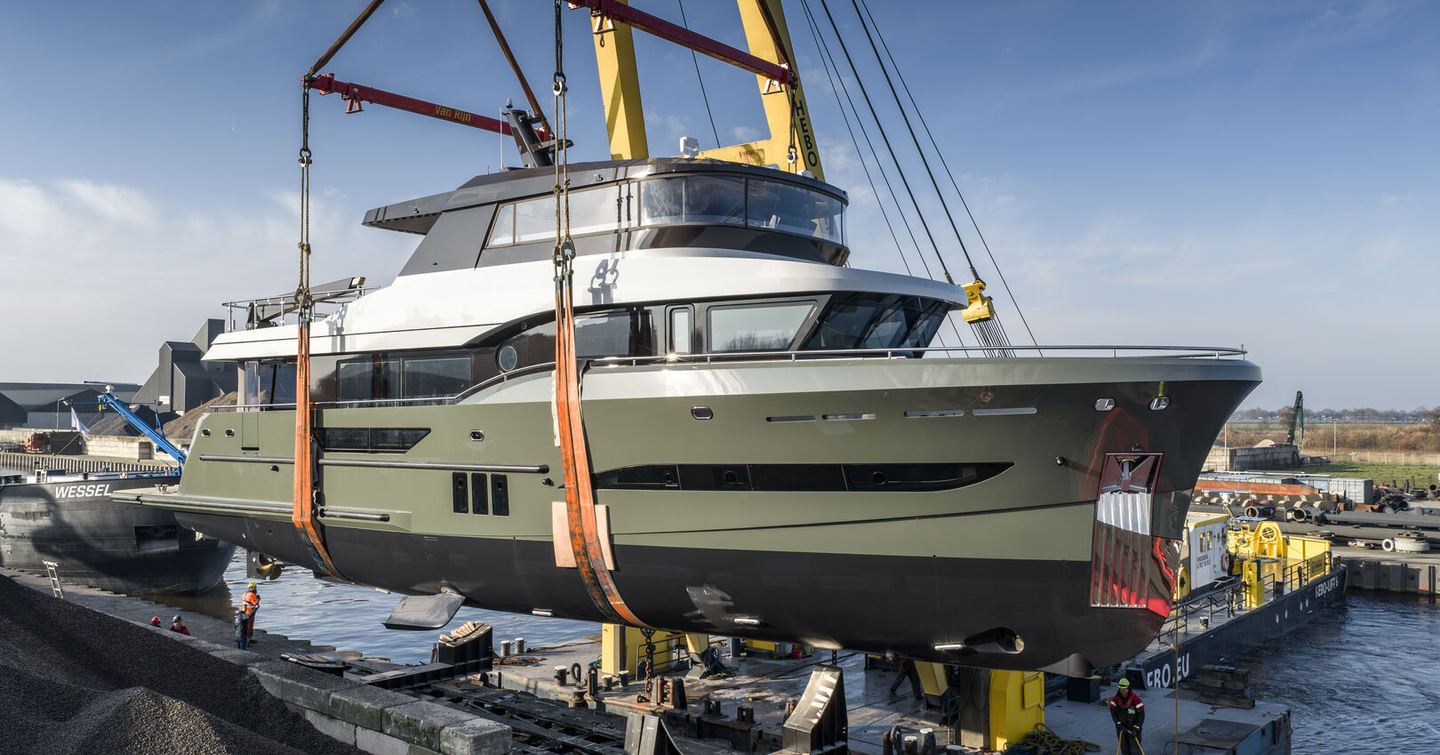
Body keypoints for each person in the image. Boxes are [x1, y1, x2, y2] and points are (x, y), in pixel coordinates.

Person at [1107, 677, 1146, 755]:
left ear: (1128, 688)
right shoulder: (1116, 699)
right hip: (1122, 728)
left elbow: (1141, 715)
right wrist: (1118, 724)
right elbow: (1113, 711)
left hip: (1133, 728)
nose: (1123, 691)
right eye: (1121, 689)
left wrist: (1136, 728)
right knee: (1124, 748)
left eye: (1124, 689)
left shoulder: (1136, 700)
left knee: (1135, 749)